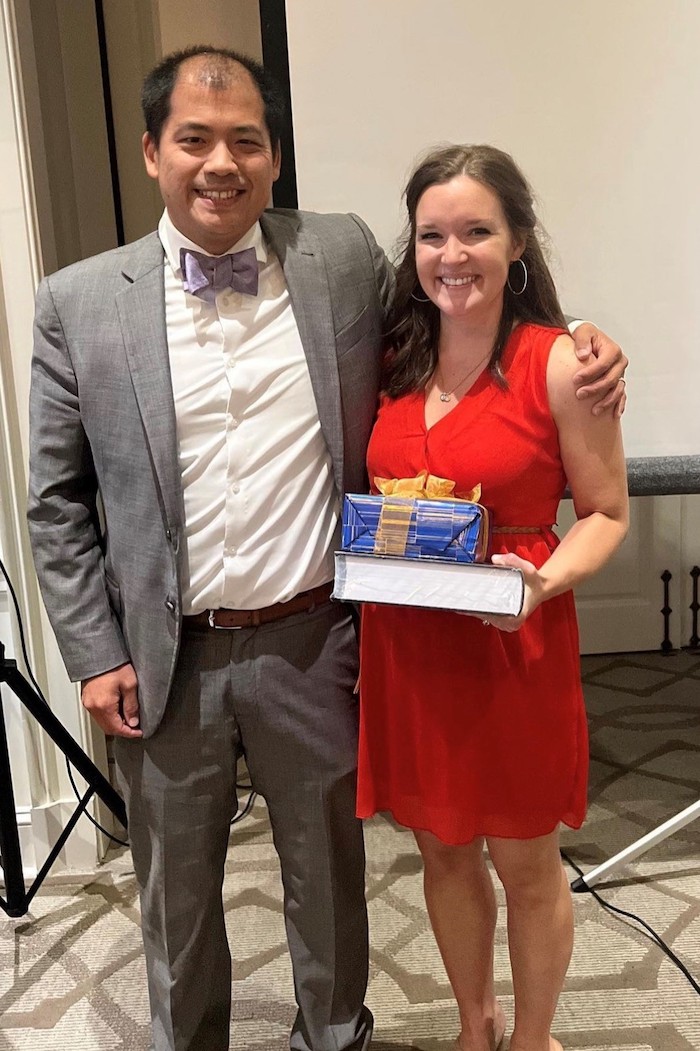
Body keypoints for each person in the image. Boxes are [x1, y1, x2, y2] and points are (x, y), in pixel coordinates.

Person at [27, 46, 626, 1051]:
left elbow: (482, 301)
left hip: (318, 641)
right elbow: (56, 501)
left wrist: (588, 338)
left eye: (246, 141)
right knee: (176, 896)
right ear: (151, 152)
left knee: (328, 880)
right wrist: (95, 652)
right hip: (166, 655)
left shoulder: (336, 258)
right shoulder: (77, 301)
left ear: (272, 158)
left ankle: (341, 1039)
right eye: (195, 139)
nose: (222, 161)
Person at [356, 143, 629, 1051]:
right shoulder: (391, 355)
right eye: (433, 234)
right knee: (440, 847)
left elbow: (606, 513)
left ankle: (534, 1037)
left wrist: (544, 580)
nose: (452, 254)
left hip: (513, 641)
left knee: (525, 860)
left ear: (517, 242)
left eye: (477, 231)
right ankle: (476, 1027)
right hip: (412, 647)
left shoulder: (561, 364)